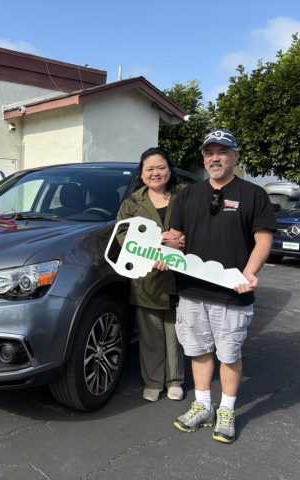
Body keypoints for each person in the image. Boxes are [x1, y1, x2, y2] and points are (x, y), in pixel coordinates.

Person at [166, 129, 276, 444]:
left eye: (222, 152)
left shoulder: (253, 195)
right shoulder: (187, 195)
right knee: (198, 351)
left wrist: (248, 274)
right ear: (204, 158)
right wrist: (163, 252)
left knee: (229, 354)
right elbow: (176, 238)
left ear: (235, 156)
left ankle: (226, 409)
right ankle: (203, 405)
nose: (215, 158)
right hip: (191, 290)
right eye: (209, 152)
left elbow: (263, 240)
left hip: (232, 293)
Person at [116, 147, 185, 402]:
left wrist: (181, 241)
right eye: (150, 169)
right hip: (147, 278)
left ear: (169, 170)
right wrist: (155, 248)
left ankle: (175, 380)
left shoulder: (184, 195)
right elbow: (123, 235)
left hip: (181, 276)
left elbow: (201, 224)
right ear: (142, 173)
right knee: (150, 335)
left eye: (161, 168)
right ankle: (154, 381)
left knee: (176, 334)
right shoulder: (132, 203)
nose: (156, 173)